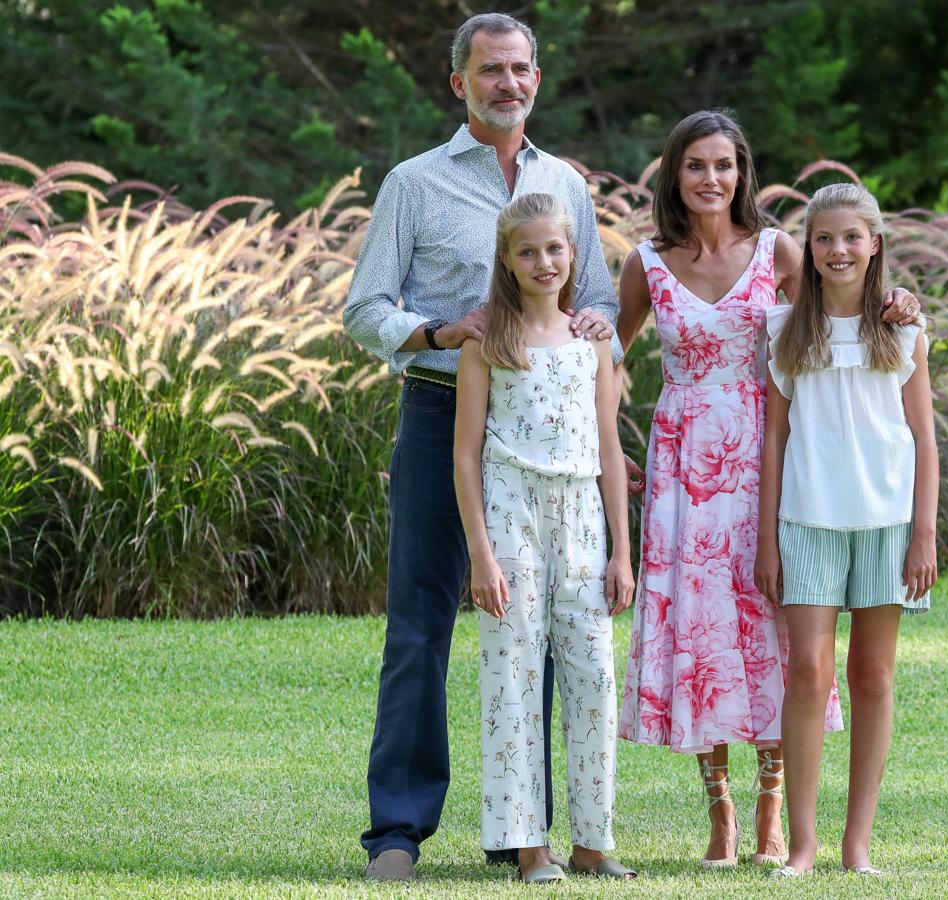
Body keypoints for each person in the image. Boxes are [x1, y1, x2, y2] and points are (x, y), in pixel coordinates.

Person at [341, 13, 621, 882]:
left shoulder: (566, 184)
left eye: (522, 69)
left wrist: (588, 331)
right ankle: (398, 830)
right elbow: (363, 309)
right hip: (442, 423)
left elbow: (603, 305)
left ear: (538, 78)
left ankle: (520, 833)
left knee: (536, 630)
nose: (509, 83)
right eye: (491, 70)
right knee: (420, 627)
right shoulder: (414, 184)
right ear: (458, 82)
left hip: (548, 434)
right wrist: (435, 329)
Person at [613, 110, 923, 868]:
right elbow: (604, 359)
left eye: (723, 164)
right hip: (685, 465)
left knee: (775, 638)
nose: (710, 179)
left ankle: (774, 810)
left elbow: (835, 305)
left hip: (776, 457)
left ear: (742, 172)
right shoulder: (645, 263)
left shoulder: (780, 247)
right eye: (694, 165)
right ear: (673, 175)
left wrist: (899, 304)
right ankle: (719, 807)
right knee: (704, 632)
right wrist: (608, 450)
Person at [755, 182, 939, 878]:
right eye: (824, 238)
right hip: (807, 519)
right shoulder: (781, 331)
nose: (838, 250)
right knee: (807, 672)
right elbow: (774, 441)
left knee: (873, 674)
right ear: (809, 248)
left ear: (875, 245)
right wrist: (769, 536)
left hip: (887, 522)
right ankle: (801, 846)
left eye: (851, 237)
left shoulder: (903, 328)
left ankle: (855, 846)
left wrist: (924, 533)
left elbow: (924, 437)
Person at [454, 192, 637, 884]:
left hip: (582, 515)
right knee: (513, 675)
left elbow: (612, 449)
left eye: (555, 249)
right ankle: (529, 845)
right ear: (506, 259)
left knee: (593, 672)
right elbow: (465, 454)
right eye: (528, 251)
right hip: (510, 516)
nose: (544, 261)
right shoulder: (486, 343)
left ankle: (594, 840)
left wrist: (623, 549)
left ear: (573, 254)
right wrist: (481, 552)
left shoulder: (593, 343)